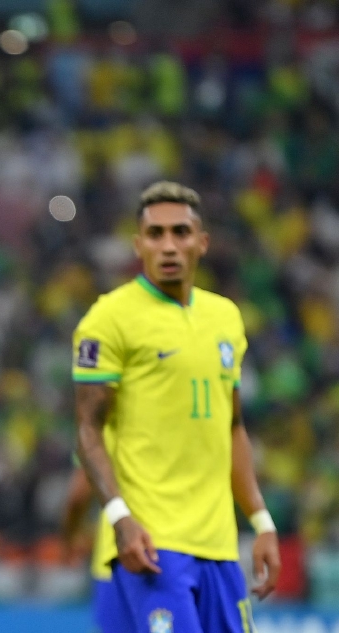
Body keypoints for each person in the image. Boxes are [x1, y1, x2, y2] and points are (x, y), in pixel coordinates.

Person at [72, 181, 281, 633]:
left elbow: (233, 427)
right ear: (138, 245)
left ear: (202, 243)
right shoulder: (108, 319)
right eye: (156, 234)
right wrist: (119, 518)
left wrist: (261, 520)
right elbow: (88, 430)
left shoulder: (226, 317)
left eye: (181, 232)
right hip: (152, 541)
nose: (168, 245)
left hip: (219, 544)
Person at [60, 462, 127, 633]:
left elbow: (79, 495)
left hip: (116, 557)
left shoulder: (96, 444)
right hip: (180, 551)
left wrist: (70, 537)